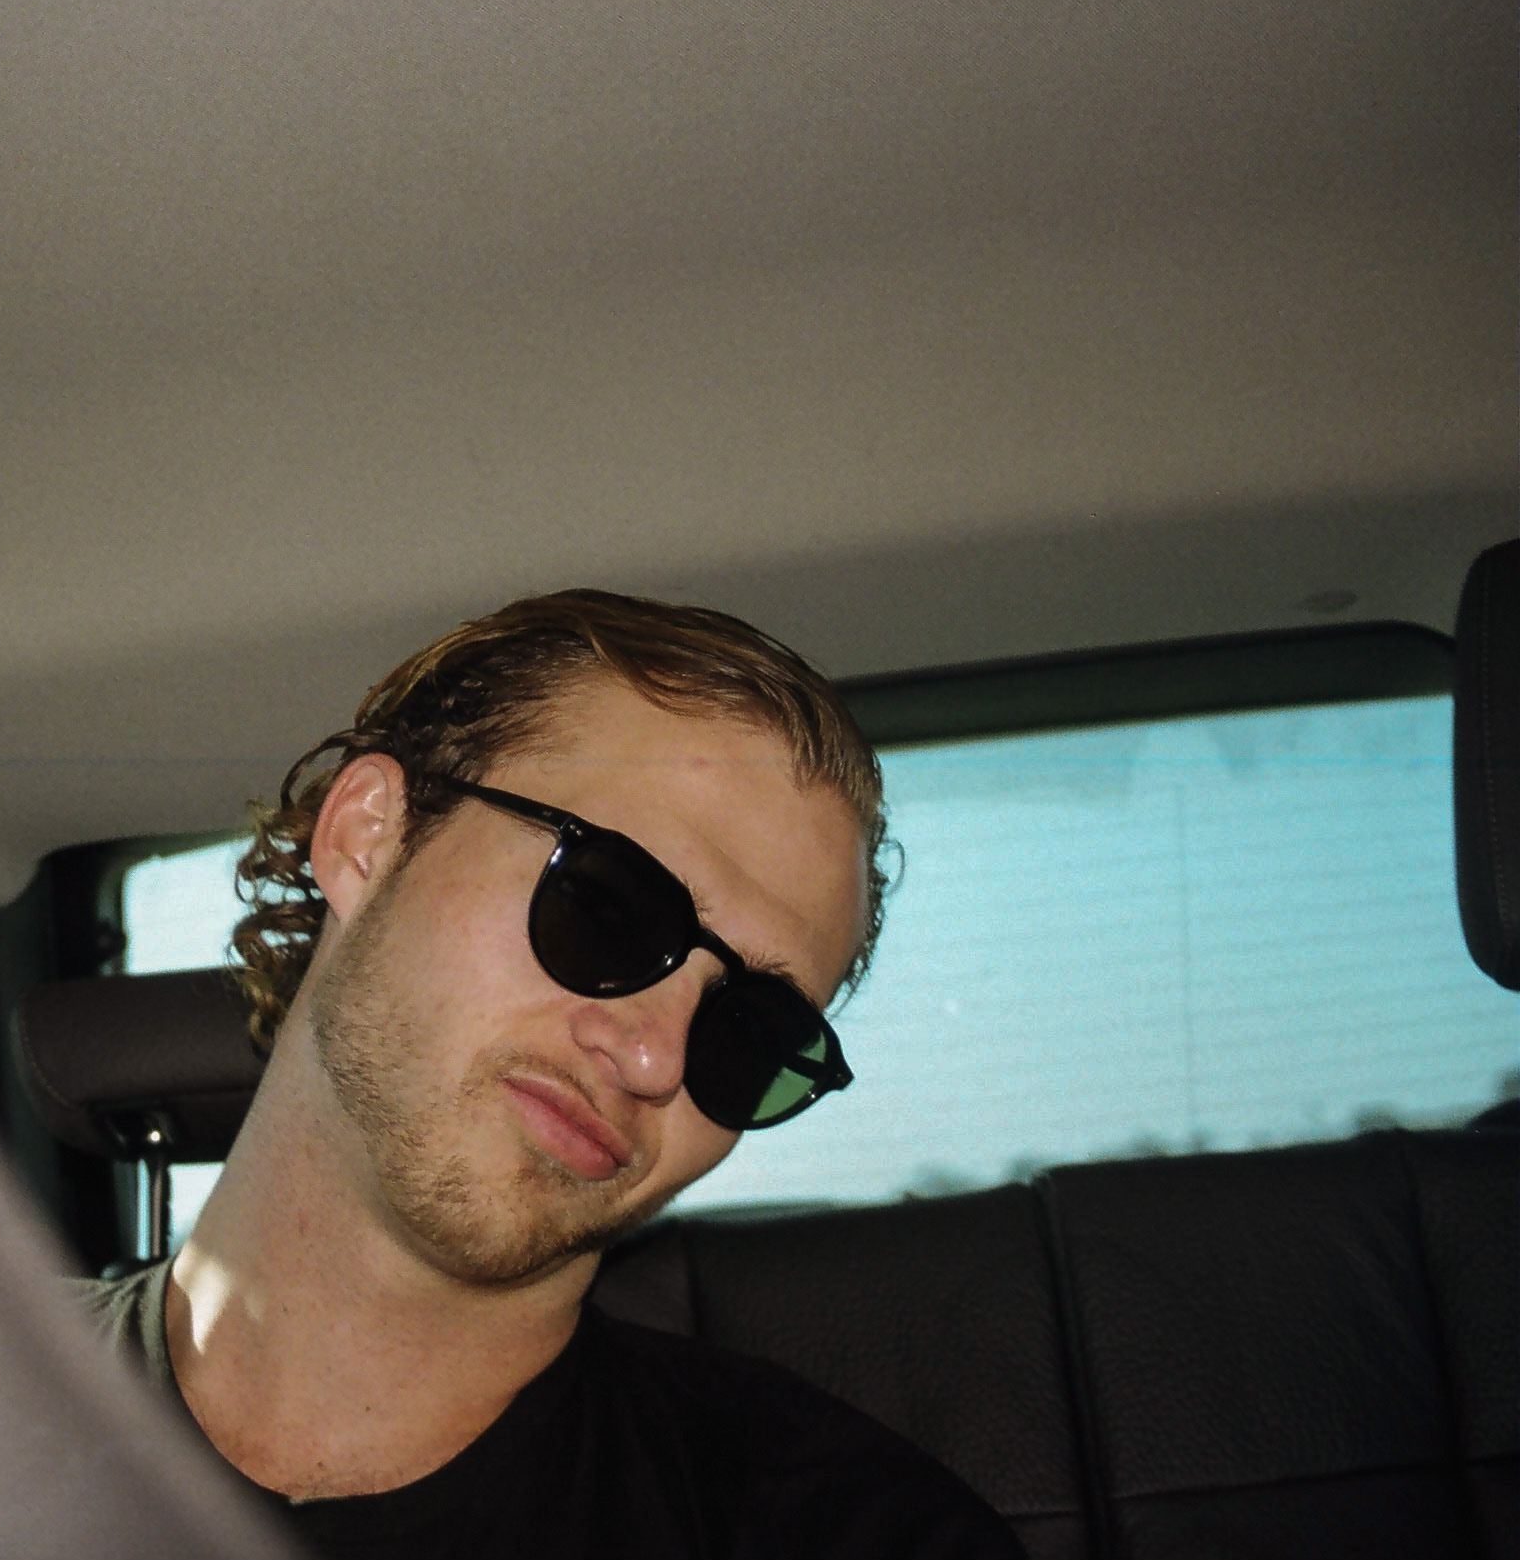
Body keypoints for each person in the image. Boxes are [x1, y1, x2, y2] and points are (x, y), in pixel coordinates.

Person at [77, 589, 1024, 1559]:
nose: (655, 1056)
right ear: (368, 835)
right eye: (611, 907)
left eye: (749, 1031)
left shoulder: (859, 1536)